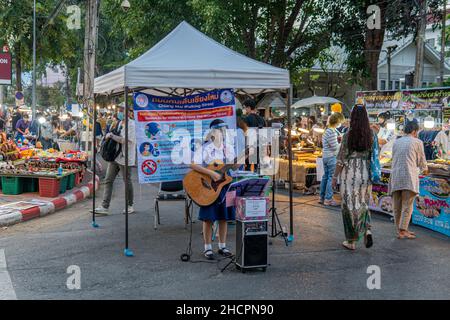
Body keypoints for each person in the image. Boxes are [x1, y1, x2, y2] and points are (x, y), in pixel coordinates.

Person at [190, 119, 240, 260]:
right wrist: (211, 173)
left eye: (224, 130)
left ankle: (222, 245)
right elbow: (193, 164)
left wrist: (242, 158)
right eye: (220, 130)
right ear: (213, 132)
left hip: (225, 186)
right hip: (210, 188)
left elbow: (233, 167)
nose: (223, 133)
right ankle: (207, 248)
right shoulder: (206, 148)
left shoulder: (228, 148)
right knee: (208, 219)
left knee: (224, 217)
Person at [332, 105, 375, 251]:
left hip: (349, 173)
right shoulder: (372, 134)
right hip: (365, 173)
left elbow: (341, 159)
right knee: (363, 203)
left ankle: (351, 241)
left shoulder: (347, 135)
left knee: (349, 206)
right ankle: (367, 228)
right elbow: (374, 156)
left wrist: (334, 177)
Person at [93, 106, 136, 215]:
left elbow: (124, 140)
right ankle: (104, 206)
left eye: (122, 111)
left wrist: (111, 136)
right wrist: (108, 135)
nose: (119, 113)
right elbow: (111, 134)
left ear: (128, 113)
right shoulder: (118, 123)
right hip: (115, 156)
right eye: (119, 111)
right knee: (108, 180)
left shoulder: (132, 125)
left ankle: (129, 205)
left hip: (125, 157)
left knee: (127, 181)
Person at [389, 119, 428, 239]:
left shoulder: (397, 141)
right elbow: (422, 160)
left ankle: (399, 230)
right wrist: (425, 169)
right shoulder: (417, 142)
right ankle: (403, 230)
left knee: (397, 205)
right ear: (414, 131)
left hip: (395, 175)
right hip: (409, 176)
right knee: (407, 205)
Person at [319, 113, 343, 206]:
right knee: (330, 178)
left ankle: (322, 197)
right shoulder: (332, 131)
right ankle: (328, 199)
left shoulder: (327, 130)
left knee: (325, 177)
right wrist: (342, 143)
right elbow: (334, 147)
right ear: (337, 121)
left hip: (325, 156)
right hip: (331, 157)